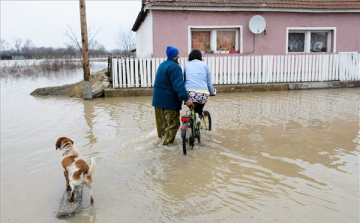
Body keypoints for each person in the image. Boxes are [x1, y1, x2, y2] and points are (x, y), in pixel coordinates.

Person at [152, 46, 194, 146]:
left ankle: (161, 145)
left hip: (157, 102)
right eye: (178, 53)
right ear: (176, 56)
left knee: (162, 128)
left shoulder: (162, 65)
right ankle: (164, 149)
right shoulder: (175, 67)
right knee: (173, 126)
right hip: (169, 103)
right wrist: (186, 99)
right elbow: (178, 86)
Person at [184, 49, 216, 123]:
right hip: (203, 94)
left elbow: (184, 81)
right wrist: (212, 92)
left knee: (192, 109)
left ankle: (193, 121)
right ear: (200, 56)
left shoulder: (186, 65)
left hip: (189, 94)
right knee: (199, 109)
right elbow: (209, 82)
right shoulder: (204, 65)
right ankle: (197, 117)